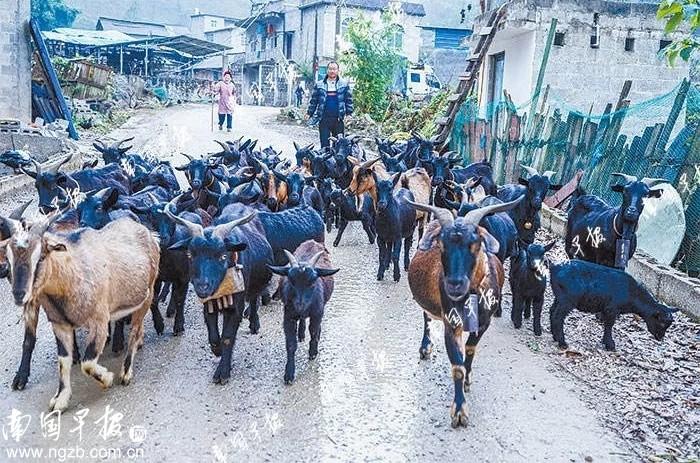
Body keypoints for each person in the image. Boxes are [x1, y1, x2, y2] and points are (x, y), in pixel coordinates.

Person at [306, 62, 353, 148]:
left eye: (334, 69)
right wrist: (309, 113)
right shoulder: (319, 84)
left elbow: (348, 100)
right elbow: (314, 101)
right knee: (324, 145)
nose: (332, 71)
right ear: (327, 70)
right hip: (324, 119)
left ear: (338, 71)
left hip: (338, 119)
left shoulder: (344, 84)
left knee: (338, 145)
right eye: (330, 69)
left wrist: (349, 114)